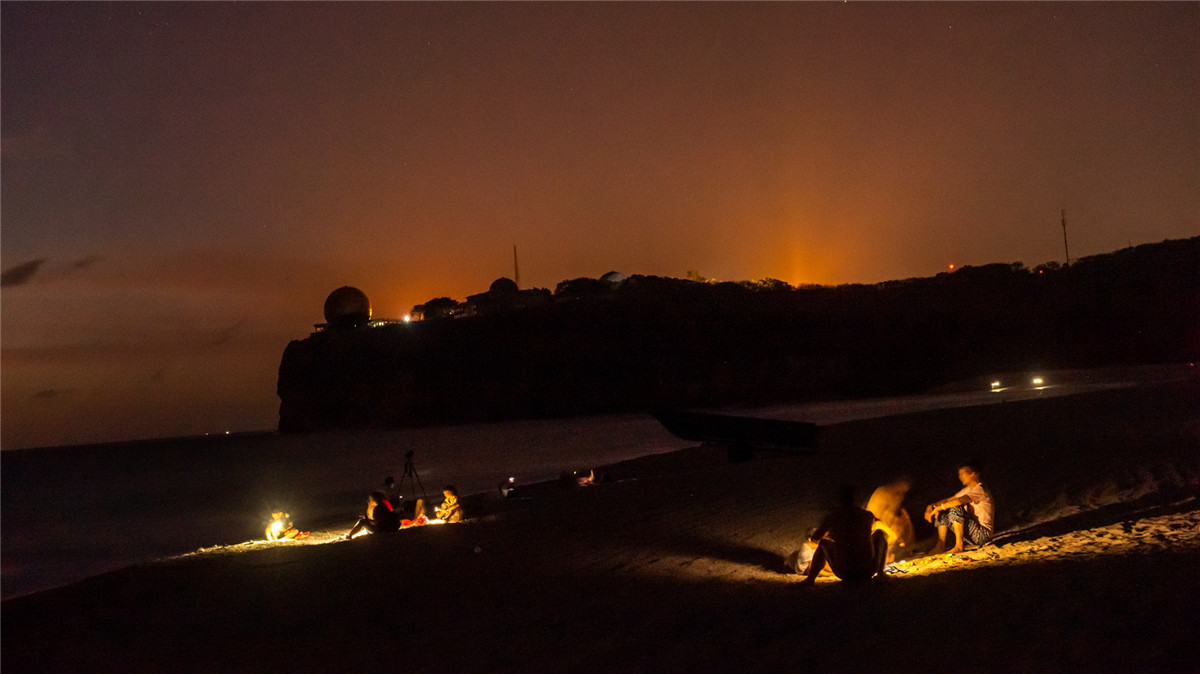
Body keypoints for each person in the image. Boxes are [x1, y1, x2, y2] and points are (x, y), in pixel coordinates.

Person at [798, 485, 889, 586]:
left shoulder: (832, 517)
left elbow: (816, 537)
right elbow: (863, 534)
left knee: (823, 543)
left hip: (844, 572)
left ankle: (810, 579)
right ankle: (880, 573)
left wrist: (830, 530)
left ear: (840, 501)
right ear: (857, 500)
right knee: (879, 534)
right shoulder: (867, 515)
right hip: (868, 570)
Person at [924, 462, 994, 554]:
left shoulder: (980, 489)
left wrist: (939, 508)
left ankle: (959, 546)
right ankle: (940, 546)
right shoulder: (967, 490)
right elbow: (947, 500)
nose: (960, 477)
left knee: (955, 506)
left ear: (972, 474)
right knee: (944, 510)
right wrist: (932, 506)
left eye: (962, 474)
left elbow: (958, 501)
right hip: (972, 536)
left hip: (983, 535)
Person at [866, 478, 916, 562]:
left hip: (885, 525)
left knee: (900, 527)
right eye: (902, 486)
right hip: (876, 525)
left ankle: (894, 553)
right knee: (893, 533)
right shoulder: (882, 493)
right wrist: (891, 529)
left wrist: (901, 517)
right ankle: (884, 556)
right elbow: (875, 516)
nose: (903, 491)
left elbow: (894, 512)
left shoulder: (898, 496)